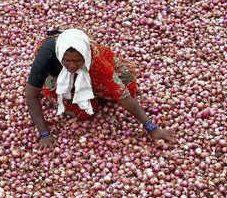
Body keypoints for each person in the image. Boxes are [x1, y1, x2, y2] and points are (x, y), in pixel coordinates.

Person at [25, 28, 174, 150]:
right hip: (57, 75)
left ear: (85, 56)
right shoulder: (46, 56)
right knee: (76, 107)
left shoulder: (95, 59)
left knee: (127, 79)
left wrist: (151, 127)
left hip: (92, 69)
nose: (71, 65)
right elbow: (31, 95)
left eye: (77, 61)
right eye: (67, 61)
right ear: (60, 56)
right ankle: (80, 89)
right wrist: (44, 133)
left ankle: (89, 87)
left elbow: (122, 94)